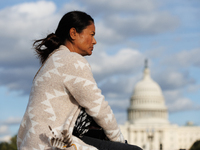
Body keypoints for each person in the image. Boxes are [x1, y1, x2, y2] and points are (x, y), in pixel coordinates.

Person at [17, 11, 142, 150]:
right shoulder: (71, 60)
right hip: (51, 143)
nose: (94, 41)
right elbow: (99, 108)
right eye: (92, 35)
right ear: (73, 33)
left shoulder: (51, 61)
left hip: (34, 142)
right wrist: (120, 141)